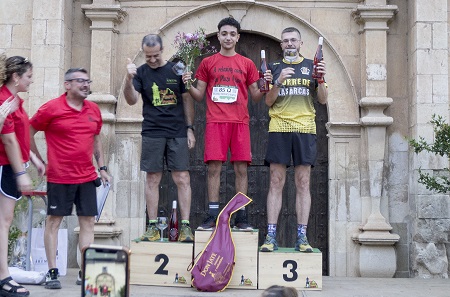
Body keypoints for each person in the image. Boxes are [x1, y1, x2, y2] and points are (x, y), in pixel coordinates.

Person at [183, 17, 272, 230]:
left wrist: (266, 84)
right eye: (224, 34)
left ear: (238, 37)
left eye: (232, 34)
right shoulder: (207, 63)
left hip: (240, 123)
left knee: (242, 170)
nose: (228, 38)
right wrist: (187, 84)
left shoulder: (247, 63)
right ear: (219, 35)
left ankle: (241, 217)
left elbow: (257, 96)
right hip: (215, 122)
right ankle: (212, 215)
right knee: (214, 169)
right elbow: (198, 95)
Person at [29, 68, 112, 289]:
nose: (86, 85)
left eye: (88, 81)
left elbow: (96, 139)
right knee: (54, 222)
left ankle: (85, 272)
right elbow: (28, 131)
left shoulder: (93, 109)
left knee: (88, 222)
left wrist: (102, 167)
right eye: (80, 81)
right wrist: (39, 161)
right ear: (67, 84)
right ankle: (52, 272)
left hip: (86, 177)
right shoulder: (51, 108)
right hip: (59, 177)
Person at [260, 27, 328, 253]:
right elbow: (268, 102)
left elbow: (323, 99)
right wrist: (277, 81)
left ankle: (302, 236)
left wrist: (320, 79)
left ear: (300, 43)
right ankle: (271, 235)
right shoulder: (273, 68)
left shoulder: (312, 66)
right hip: (279, 128)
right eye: (285, 41)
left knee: (302, 183)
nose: (289, 44)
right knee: (276, 182)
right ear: (280, 45)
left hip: (305, 128)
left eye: (293, 40)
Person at [124, 34, 196, 242]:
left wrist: (190, 128)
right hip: (152, 131)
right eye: (148, 57)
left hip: (177, 132)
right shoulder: (141, 73)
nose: (153, 60)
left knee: (182, 178)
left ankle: (185, 227)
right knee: (152, 178)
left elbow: (187, 99)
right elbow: (130, 100)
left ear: (162, 50)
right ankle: (153, 227)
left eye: (156, 55)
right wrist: (128, 79)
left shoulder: (177, 69)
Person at [0, 55, 45, 297]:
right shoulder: (3, 101)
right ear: (16, 77)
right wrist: (20, 172)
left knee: (3, 223)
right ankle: (3, 278)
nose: (31, 80)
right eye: (28, 76)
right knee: (3, 223)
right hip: (5, 167)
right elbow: (7, 140)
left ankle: (3, 275)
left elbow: (18, 136)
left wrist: (34, 158)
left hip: (12, 165)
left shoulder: (15, 101)